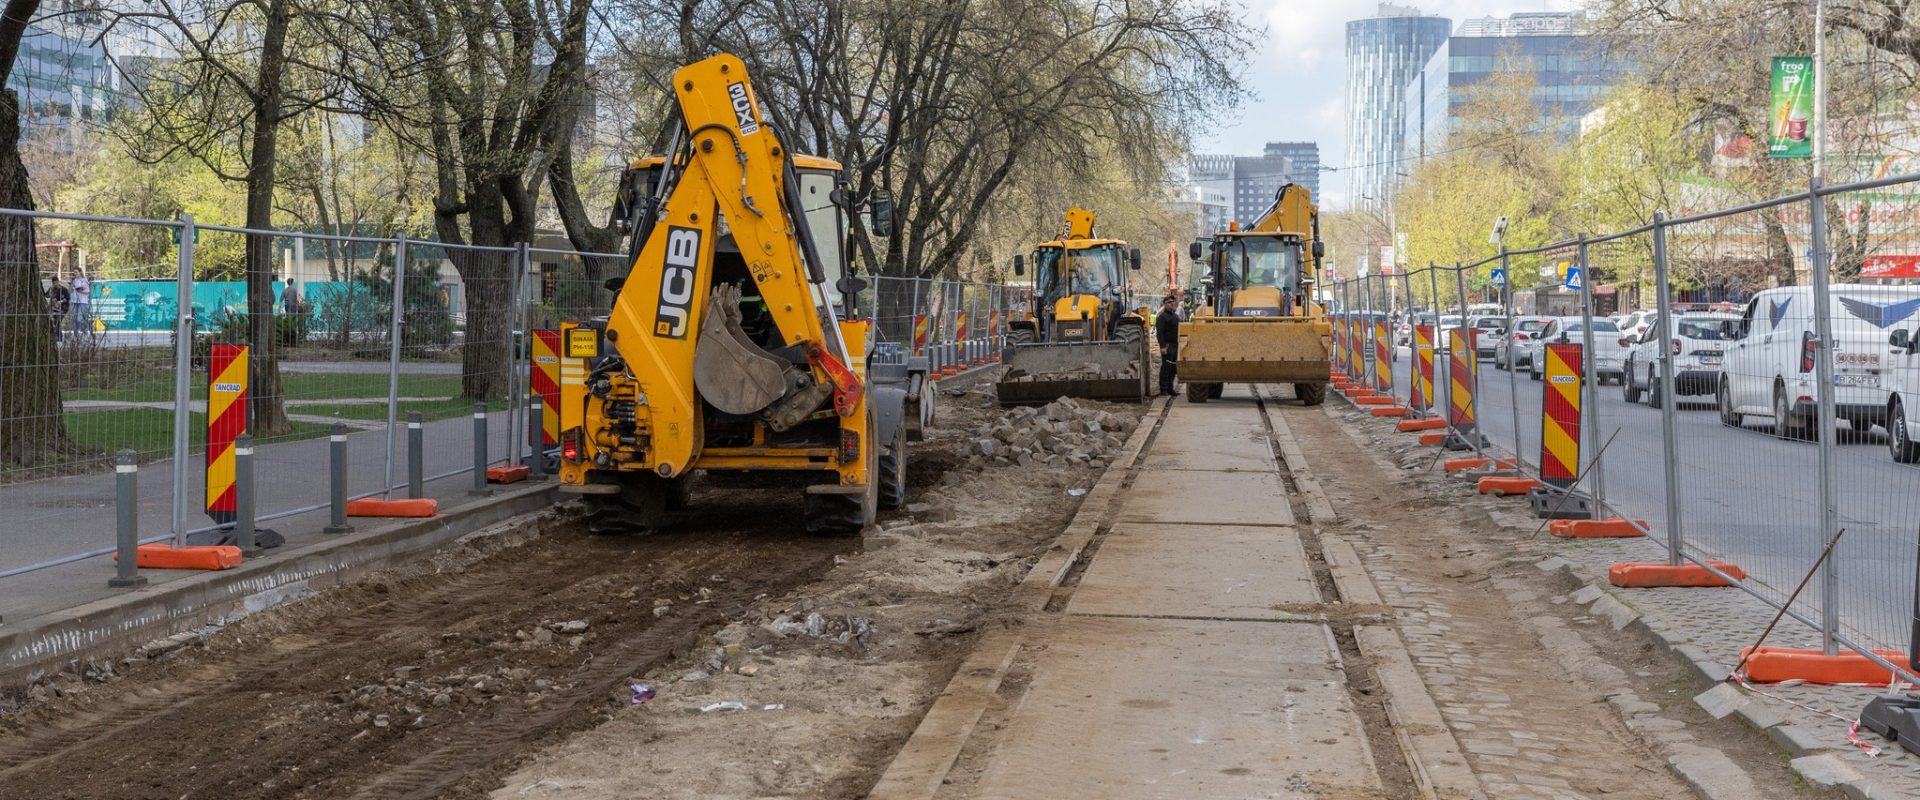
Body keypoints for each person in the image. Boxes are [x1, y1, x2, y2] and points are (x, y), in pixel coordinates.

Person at [1155, 294, 1181, 397]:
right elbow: (1160, 333)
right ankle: (1163, 389)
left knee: (1173, 368)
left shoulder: (1175, 317)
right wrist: (1162, 346)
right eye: (1169, 302)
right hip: (1168, 346)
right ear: (1164, 304)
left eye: (1173, 302)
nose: (1172, 304)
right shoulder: (1162, 317)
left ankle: (1171, 389)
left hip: (1176, 345)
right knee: (1166, 367)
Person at [68, 268, 90, 332]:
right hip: (75, 301)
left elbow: (88, 291)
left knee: (83, 317)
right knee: (74, 318)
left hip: (83, 301)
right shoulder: (74, 280)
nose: (75, 274)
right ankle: (75, 333)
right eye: (74, 272)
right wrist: (71, 285)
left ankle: (85, 331)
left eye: (76, 272)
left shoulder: (84, 280)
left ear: (80, 272)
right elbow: (71, 291)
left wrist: (80, 291)